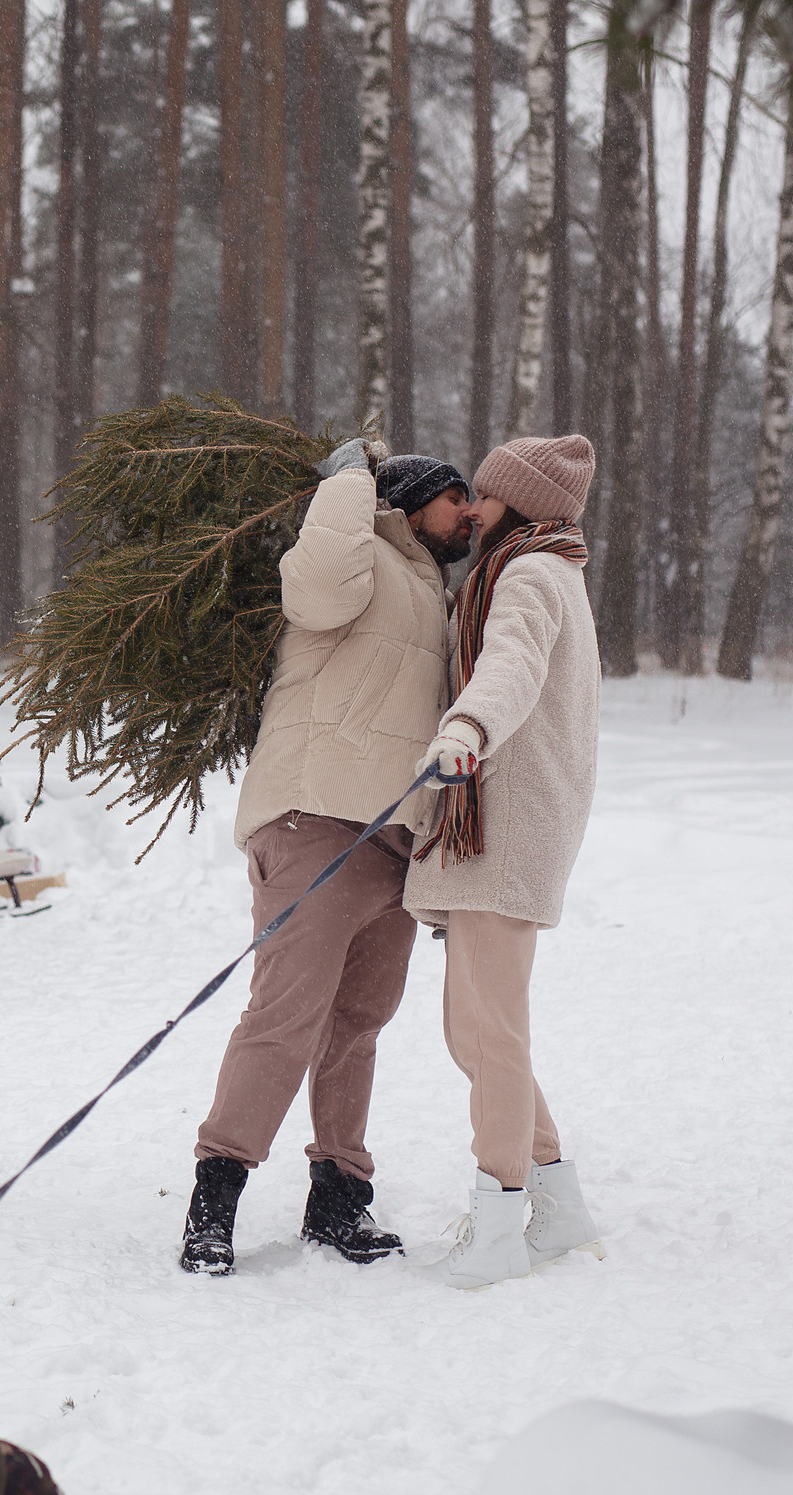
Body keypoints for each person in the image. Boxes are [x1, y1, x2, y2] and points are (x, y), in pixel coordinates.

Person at [178, 443, 477, 1274]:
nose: (472, 514)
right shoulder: (359, 555)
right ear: (413, 501)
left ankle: (338, 1201)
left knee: (358, 1027)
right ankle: (214, 1203)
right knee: (285, 1018)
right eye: (458, 498)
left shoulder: (432, 587)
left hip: (396, 842)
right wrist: (349, 481)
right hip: (317, 820)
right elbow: (312, 591)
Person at [404, 434, 605, 1289]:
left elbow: (512, 665)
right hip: (503, 826)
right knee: (480, 1033)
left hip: (504, 824)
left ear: (517, 504)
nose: (473, 510)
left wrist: (466, 729)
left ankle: (500, 1220)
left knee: (492, 1033)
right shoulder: (543, 569)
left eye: (484, 495)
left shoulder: (525, 576)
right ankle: (557, 1206)